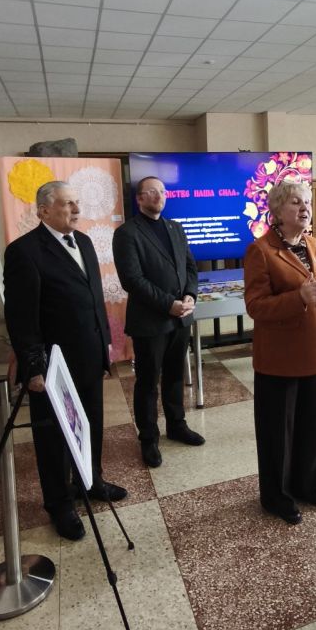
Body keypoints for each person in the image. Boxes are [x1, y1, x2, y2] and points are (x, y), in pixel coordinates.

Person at [4, 181, 127, 541]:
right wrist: (34, 368)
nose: (76, 209)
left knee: (90, 423)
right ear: (43, 210)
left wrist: (105, 345)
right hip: (53, 367)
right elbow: (21, 319)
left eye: (77, 202)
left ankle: (91, 480)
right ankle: (59, 503)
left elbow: (93, 299)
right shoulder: (24, 252)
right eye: (67, 203)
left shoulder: (84, 242)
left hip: (88, 355)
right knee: (53, 437)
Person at [244, 181, 316, 525]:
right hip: (279, 360)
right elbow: (256, 306)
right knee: (278, 433)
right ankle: (275, 496)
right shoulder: (261, 251)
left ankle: (308, 486)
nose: (305, 208)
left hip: (313, 354)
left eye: (307, 202)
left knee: (311, 428)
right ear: (277, 210)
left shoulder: (313, 244)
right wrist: (298, 298)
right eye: (296, 202)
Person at [112, 176, 204, 469]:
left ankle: (177, 425)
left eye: (162, 191)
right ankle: (149, 438)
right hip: (151, 321)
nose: (159, 196)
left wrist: (189, 295)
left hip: (181, 318)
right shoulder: (127, 233)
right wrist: (168, 304)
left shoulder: (175, 228)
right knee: (148, 381)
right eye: (151, 192)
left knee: (175, 375)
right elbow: (132, 280)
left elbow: (190, 266)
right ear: (139, 198)